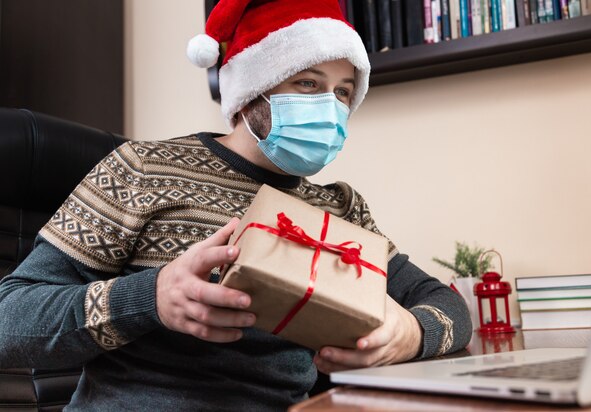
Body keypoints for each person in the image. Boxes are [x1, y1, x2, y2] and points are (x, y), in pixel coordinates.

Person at [0, 0, 471, 410]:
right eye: (309, 84)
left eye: (343, 92)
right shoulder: (143, 169)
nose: (331, 107)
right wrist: (152, 298)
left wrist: (410, 333)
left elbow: (449, 306)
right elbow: (9, 323)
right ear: (252, 91)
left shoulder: (339, 211)